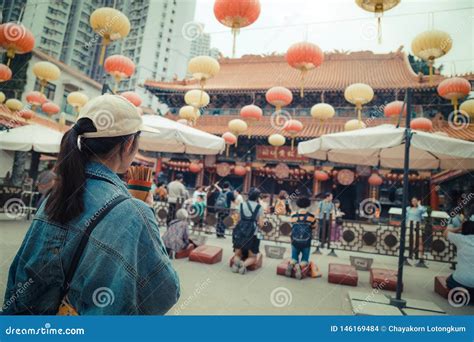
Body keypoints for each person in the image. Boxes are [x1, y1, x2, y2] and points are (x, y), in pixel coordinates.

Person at [2, 94, 179, 315]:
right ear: (129, 144)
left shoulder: (55, 196)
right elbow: (164, 293)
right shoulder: (135, 213)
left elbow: (21, 272)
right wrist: (145, 215)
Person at [231, 188, 264, 275]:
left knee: (237, 254)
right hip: (253, 235)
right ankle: (243, 265)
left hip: (240, 233)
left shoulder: (241, 205)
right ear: (257, 197)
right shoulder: (259, 207)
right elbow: (261, 224)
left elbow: (237, 219)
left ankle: (236, 265)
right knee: (253, 257)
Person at [286, 196, 317, 279]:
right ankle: (299, 267)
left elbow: (292, 225)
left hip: (295, 240)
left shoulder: (293, 215)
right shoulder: (311, 216)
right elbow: (314, 227)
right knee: (305, 260)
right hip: (306, 241)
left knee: (294, 258)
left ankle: (291, 264)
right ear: (308, 205)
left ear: (298, 204)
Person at [444, 220, 474, 300]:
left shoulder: (460, 238)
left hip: (460, 281)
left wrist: (458, 228)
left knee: (449, 280)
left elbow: (446, 232)